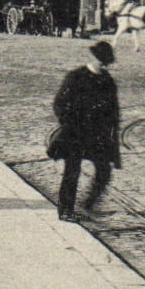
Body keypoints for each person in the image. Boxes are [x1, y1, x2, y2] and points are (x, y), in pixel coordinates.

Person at [48, 40, 121, 222]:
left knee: (104, 170)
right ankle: (66, 210)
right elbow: (59, 104)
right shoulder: (76, 76)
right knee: (72, 171)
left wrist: (112, 139)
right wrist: (69, 123)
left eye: (106, 62)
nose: (103, 65)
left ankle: (87, 205)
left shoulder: (107, 81)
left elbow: (114, 111)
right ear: (94, 58)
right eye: (101, 61)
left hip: (97, 134)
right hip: (75, 132)